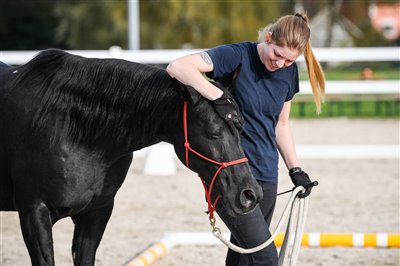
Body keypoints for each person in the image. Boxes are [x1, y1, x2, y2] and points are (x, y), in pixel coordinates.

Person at [167, 13, 325, 266]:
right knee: (265, 258)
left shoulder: (289, 73)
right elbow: (178, 67)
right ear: (268, 37)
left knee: (243, 257)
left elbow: (281, 125)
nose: (281, 64)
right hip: (231, 177)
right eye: (277, 55)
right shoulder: (236, 55)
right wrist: (217, 95)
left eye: (289, 60)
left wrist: (295, 169)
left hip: (267, 177)